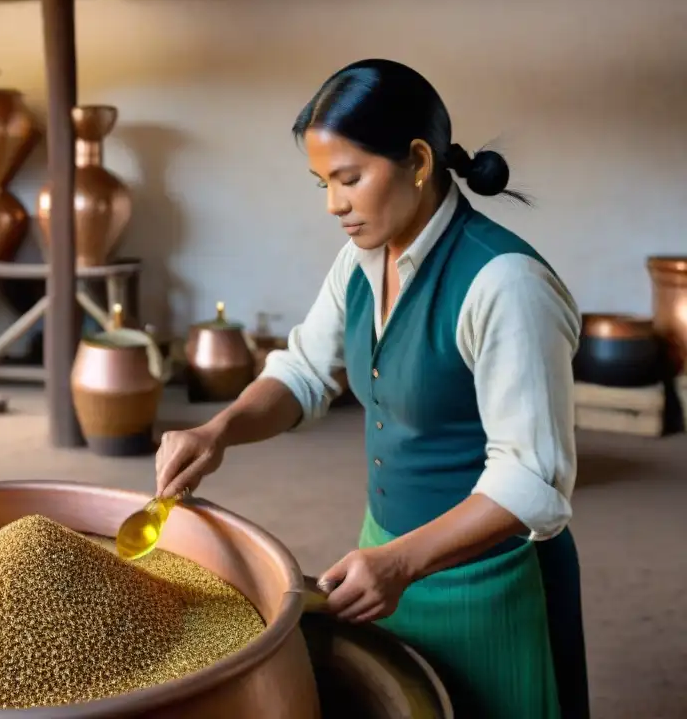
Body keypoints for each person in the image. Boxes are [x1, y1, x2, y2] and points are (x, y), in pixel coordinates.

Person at [154, 58, 589, 719]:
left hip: (488, 585)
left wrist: (401, 563)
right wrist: (220, 431)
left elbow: (534, 482)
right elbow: (303, 373)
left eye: (349, 178)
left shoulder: (505, 283)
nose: (334, 204)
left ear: (417, 161)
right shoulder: (360, 260)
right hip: (383, 551)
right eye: (322, 182)